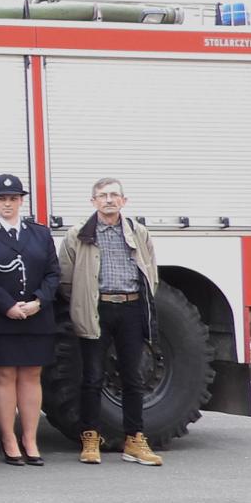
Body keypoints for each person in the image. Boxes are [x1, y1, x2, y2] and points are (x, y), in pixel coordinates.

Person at [58, 178, 163, 466]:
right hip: (97, 309)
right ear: (93, 201)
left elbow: (150, 273)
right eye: (102, 196)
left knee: (133, 376)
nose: (108, 200)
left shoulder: (138, 233)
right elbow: (66, 279)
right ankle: (90, 438)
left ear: (124, 201)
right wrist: (82, 303)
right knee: (91, 377)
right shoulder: (79, 234)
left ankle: (134, 440)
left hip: (130, 309)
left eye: (114, 195)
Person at [0, 174, 61, 466]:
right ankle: (9, 439)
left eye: (12, 198)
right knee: (4, 375)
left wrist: (38, 301)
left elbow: (53, 273)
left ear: (21, 201)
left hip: (35, 316)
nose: (7, 203)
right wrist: (7, 306)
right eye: (1, 199)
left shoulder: (40, 234)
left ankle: (30, 439)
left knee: (32, 375)